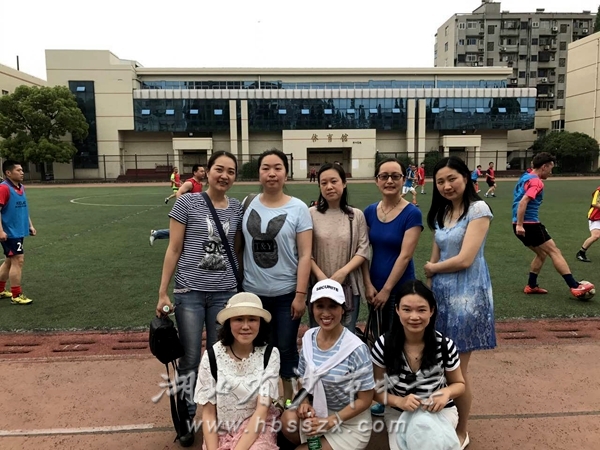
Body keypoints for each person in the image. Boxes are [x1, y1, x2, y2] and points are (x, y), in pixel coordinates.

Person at [155, 151, 243, 445]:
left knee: (220, 358)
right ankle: (187, 415)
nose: (224, 176)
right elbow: (174, 248)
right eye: (219, 169)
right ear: (208, 171)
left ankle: (216, 414)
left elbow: (237, 249)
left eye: (231, 171)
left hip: (224, 292)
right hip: (190, 292)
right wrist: (163, 291)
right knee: (191, 358)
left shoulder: (237, 209)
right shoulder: (187, 203)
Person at [423, 155, 496, 449]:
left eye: (452, 178)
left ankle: (462, 430)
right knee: (439, 367)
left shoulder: (478, 210)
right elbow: (435, 254)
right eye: (440, 181)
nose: (446, 186)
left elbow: (465, 259)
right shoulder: (442, 213)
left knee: (457, 373)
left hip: (467, 299)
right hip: (441, 298)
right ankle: (442, 423)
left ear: (466, 178)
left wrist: (432, 269)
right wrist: (428, 293)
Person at [242, 149, 313, 403]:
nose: (271, 173)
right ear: (259, 173)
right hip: (253, 295)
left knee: (286, 348)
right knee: (258, 349)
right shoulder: (248, 204)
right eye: (266, 168)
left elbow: (305, 254)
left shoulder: (299, 208)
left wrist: (300, 295)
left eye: (277, 168)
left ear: (286, 173)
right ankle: (265, 400)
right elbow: (239, 247)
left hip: (286, 295)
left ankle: (290, 401)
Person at [281, 279, 375, 450]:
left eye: (332, 306)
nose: (326, 313)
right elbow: (303, 379)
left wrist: (331, 421)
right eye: (320, 306)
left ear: (343, 309)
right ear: (312, 308)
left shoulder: (356, 349)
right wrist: (304, 401)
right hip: (318, 411)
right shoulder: (309, 338)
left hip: (349, 421)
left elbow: (365, 400)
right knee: (288, 420)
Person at [371, 280, 465, 450]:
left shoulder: (444, 345)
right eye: (407, 309)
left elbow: (459, 384)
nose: (414, 317)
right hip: (399, 411)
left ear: (432, 311)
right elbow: (376, 391)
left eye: (421, 310)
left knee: (427, 441)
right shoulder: (384, 345)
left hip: (439, 411)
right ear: (397, 310)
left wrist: (445, 393)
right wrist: (399, 401)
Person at [194, 292, 281, 450]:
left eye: (252, 319)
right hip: (221, 429)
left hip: (257, 427)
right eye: (239, 319)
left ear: (260, 323)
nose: (245, 326)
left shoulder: (270, 355)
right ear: (228, 322)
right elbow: (208, 414)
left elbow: (261, 411)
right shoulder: (212, 356)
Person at [512, 152, 595, 298]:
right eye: (551, 168)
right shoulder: (537, 182)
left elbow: (531, 169)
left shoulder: (526, 176)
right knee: (554, 252)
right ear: (544, 167)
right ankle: (575, 286)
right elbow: (524, 201)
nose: (551, 172)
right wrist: (520, 224)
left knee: (542, 253)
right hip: (529, 224)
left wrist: (518, 224)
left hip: (519, 224)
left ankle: (531, 285)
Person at [363, 158, 423, 335]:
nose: (389, 181)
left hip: (400, 288)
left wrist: (387, 290)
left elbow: (405, 256)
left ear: (403, 180)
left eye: (395, 176)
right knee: (378, 337)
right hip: (374, 287)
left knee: (398, 339)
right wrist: (367, 284)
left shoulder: (412, 213)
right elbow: (363, 251)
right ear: (377, 180)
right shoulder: (369, 211)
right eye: (384, 176)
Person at [309, 163, 370, 333]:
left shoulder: (356, 215)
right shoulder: (310, 214)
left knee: (346, 335)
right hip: (318, 285)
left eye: (334, 181)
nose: (329, 187)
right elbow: (305, 251)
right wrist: (321, 277)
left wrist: (343, 272)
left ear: (344, 183)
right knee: (318, 334)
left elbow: (363, 249)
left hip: (348, 285)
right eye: (324, 183)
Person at [0, 160, 36, 305]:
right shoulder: (4, 188)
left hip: (19, 230)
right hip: (9, 232)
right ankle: (16, 295)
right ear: (8, 173)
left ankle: (0, 290)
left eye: (22, 170)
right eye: (18, 170)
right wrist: (1, 231)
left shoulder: (21, 187)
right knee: (18, 260)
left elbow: (24, 208)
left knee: (9, 260)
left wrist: (30, 225)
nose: (22, 172)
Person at [150, 164, 206, 245]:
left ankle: (156, 233)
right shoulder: (190, 183)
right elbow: (179, 193)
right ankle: (157, 234)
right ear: (195, 172)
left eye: (204, 171)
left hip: (195, 211)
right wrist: (183, 208)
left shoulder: (200, 184)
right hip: (188, 212)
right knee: (184, 231)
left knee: (187, 231)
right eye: (201, 171)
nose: (203, 173)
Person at [577, 185, 600, 263]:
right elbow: (594, 203)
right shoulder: (599, 190)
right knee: (595, 236)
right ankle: (581, 253)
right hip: (596, 216)